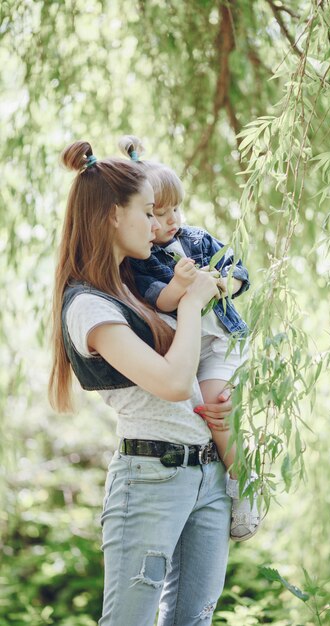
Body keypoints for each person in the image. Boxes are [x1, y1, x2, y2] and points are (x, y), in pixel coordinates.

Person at [48, 141, 235, 626]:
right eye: (147, 212)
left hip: (206, 474)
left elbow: (192, 373)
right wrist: (192, 303)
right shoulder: (89, 306)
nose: (158, 226)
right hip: (152, 476)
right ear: (113, 215)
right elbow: (172, 382)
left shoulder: (134, 287)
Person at [118, 136, 260, 542]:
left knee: (216, 404)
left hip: (220, 342)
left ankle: (243, 484)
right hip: (187, 352)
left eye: (175, 209)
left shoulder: (197, 238)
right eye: (156, 214)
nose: (169, 221)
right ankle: (222, 480)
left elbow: (240, 272)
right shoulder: (139, 260)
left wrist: (220, 285)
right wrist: (181, 287)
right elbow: (158, 299)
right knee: (206, 415)